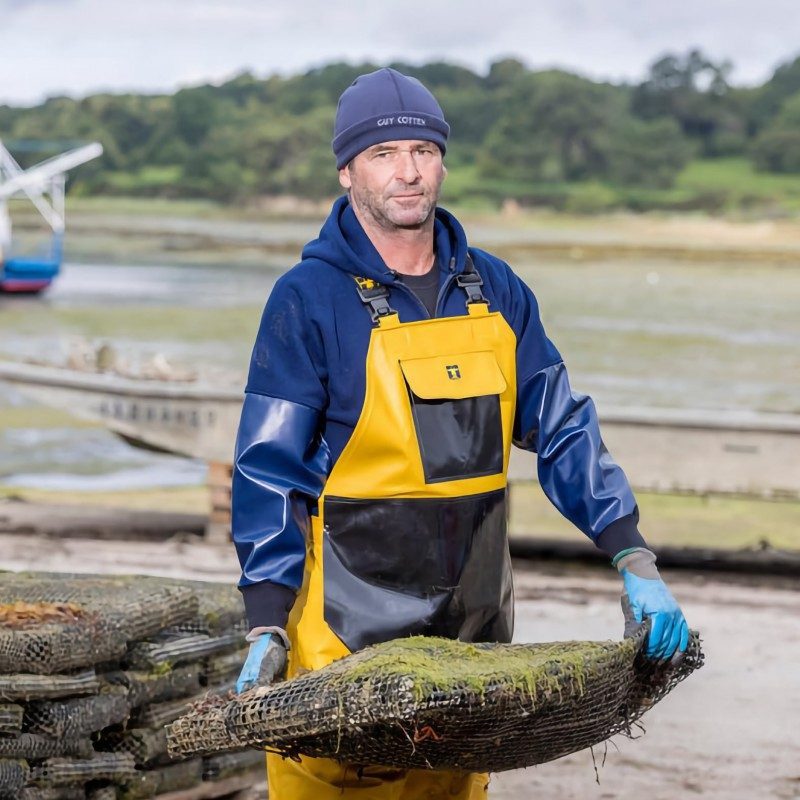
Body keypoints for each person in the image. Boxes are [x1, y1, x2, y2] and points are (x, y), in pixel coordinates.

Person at [231, 67, 689, 800]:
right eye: (384, 155)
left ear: (443, 160)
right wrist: (264, 625)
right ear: (347, 170)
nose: (408, 172)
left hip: (471, 659)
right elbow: (266, 469)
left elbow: (565, 427)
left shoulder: (498, 290)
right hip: (342, 658)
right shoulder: (306, 300)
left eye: (424, 150)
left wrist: (633, 555)